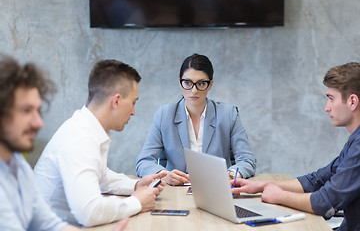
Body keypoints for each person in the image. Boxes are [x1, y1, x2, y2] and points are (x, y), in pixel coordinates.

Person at [0, 54, 128, 231]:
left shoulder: (18, 166)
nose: (38, 122)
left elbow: (48, 224)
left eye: (37, 110)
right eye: (26, 110)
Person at [35, 59, 166, 227]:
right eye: (133, 103)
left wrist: (136, 184)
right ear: (116, 101)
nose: (133, 112)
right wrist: (136, 202)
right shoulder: (80, 139)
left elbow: (101, 176)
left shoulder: (86, 127)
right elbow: (89, 212)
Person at [232, 62, 360, 231]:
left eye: (331, 98)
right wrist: (260, 186)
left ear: (352, 101)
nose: (326, 108)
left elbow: (325, 201)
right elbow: (317, 180)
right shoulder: (354, 142)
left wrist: (280, 196)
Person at [136, 53, 256, 185]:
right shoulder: (164, 115)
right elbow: (143, 161)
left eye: (201, 83)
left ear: (210, 84)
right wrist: (163, 175)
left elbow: (247, 159)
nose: (194, 91)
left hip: (217, 188)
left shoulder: (228, 114)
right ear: (180, 83)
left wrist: (229, 175)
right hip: (175, 191)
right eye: (187, 83)